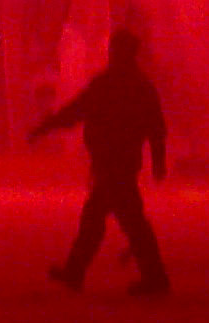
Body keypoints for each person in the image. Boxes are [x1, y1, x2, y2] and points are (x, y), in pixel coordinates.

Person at [29, 30, 170, 298]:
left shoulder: (112, 84)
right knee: (114, 220)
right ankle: (80, 271)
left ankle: (151, 278)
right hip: (119, 164)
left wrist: (46, 127)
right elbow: (156, 129)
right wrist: (157, 162)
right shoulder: (138, 86)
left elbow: (77, 110)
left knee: (115, 221)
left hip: (113, 165)